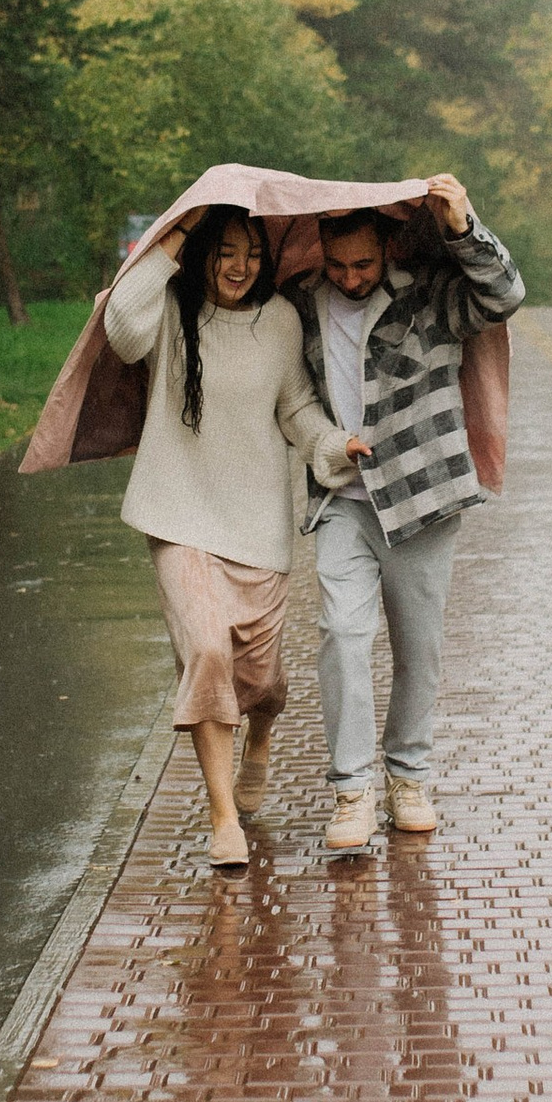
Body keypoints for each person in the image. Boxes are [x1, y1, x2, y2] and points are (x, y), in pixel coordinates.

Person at [101, 204, 355, 869]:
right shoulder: (168, 313)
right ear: (201, 254)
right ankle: (222, 820)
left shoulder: (278, 321)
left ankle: (262, 733)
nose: (239, 266)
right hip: (179, 515)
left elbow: (295, 405)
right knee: (208, 653)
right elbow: (120, 324)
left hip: (258, 524)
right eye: (224, 252)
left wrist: (334, 445)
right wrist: (179, 229)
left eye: (250, 253)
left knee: (260, 681)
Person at [290, 173, 526, 853]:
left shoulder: (429, 295)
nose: (350, 276)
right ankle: (352, 791)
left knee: (418, 650)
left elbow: (505, 294)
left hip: (424, 500)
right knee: (342, 634)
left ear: (388, 246)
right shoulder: (302, 304)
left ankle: (409, 775)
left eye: (363, 263)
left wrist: (462, 223)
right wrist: (326, 443)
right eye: (337, 263)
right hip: (343, 498)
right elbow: (292, 397)